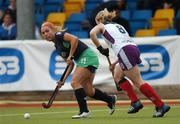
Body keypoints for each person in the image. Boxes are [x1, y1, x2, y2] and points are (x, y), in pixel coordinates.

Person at [89, 8, 171, 118]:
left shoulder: (101, 25)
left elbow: (92, 34)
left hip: (125, 52)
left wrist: (100, 48)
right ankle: (135, 102)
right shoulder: (118, 26)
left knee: (138, 82)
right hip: (132, 49)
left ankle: (160, 105)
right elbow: (124, 45)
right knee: (117, 75)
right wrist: (114, 64)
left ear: (99, 20)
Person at [41, 22, 117, 119]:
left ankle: (84, 111)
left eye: (47, 31)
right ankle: (110, 99)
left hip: (87, 56)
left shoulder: (59, 35)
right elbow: (70, 64)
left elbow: (74, 39)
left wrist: (71, 55)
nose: (45, 34)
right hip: (84, 59)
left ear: (53, 29)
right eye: (43, 33)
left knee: (75, 82)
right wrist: (63, 80)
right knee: (89, 91)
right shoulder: (57, 47)